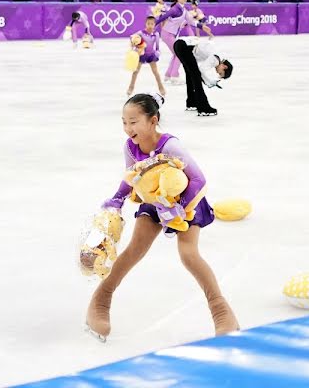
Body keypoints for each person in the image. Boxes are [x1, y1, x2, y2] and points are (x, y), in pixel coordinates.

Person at [85, 93, 239, 341]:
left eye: (133, 122)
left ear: (153, 121)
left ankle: (221, 311)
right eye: (124, 122)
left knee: (189, 255)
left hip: (187, 201)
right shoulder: (130, 147)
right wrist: (116, 200)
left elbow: (198, 180)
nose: (128, 128)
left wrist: (178, 208)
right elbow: (131, 177)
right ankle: (100, 300)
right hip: (153, 201)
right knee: (134, 249)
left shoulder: (170, 146)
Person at [172, 38, 232, 116]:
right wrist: (208, 82)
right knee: (196, 77)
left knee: (191, 76)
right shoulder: (216, 59)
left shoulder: (217, 55)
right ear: (225, 66)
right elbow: (201, 70)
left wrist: (207, 81)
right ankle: (204, 109)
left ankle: (192, 103)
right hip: (184, 47)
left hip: (179, 45)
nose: (217, 73)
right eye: (221, 73)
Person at [154, 0, 190, 84]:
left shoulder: (183, 9)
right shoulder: (175, 9)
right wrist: (153, 25)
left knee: (176, 54)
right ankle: (174, 76)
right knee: (180, 53)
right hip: (167, 34)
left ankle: (168, 75)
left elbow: (190, 21)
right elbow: (164, 17)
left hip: (170, 34)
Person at [127, 16, 166, 97]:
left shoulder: (156, 34)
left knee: (155, 72)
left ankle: (161, 87)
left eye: (152, 24)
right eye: (148, 24)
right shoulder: (141, 33)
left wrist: (157, 53)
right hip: (142, 54)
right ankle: (131, 87)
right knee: (135, 71)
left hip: (151, 55)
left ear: (154, 24)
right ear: (145, 24)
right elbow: (132, 37)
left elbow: (157, 47)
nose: (150, 26)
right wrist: (134, 46)